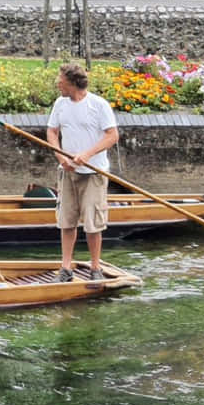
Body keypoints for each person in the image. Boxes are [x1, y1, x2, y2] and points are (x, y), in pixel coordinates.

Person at [46, 61, 120, 282]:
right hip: (67, 172)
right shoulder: (60, 104)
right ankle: (66, 268)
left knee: (92, 222)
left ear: (72, 83)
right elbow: (51, 131)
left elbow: (112, 136)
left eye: (61, 81)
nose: (58, 84)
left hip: (94, 173)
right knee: (66, 220)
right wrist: (62, 157)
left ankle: (95, 267)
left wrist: (86, 155)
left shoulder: (98, 105)